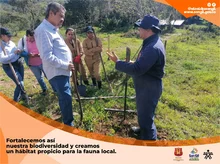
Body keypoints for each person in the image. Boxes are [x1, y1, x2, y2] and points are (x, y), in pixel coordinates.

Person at [107, 14, 166, 140]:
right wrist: (128, 63)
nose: (138, 30)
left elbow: (137, 69)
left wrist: (118, 63)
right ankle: (143, 130)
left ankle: (149, 141)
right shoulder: (151, 42)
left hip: (149, 89)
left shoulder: (152, 48)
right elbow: (143, 65)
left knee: (146, 118)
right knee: (144, 114)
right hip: (147, 86)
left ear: (149, 30)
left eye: (140, 28)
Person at [34, 2, 74, 126]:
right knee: (66, 97)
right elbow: (47, 56)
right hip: (58, 72)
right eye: (60, 16)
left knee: (66, 97)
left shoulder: (53, 29)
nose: (62, 19)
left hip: (62, 71)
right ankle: (69, 125)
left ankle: (67, 118)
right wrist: (65, 65)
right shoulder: (43, 30)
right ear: (51, 13)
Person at [0, 27, 28, 102]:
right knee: (20, 83)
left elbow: (15, 51)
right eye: (8, 36)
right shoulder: (0, 46)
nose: (10, 37)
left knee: (21, 81)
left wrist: (18, 51)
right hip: (9, 66)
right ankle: (15, 101)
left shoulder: (11, 42)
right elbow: (2, 58)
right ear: (2, 36)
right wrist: (13, 54)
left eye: (10, 35)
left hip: (18, 63)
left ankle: (23, 95)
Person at [17, 29, 48, 95]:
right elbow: (19, 53)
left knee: (48, 75)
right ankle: (45, 90)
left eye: (33, 37)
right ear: (27, 36)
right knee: (39, 78)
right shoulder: (22, 41)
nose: (32, 39)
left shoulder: (38, 38)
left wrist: (41, 54)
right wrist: (28, 55)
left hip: (43, 62)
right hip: (32, 64)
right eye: (31, 38)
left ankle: (55, 89)